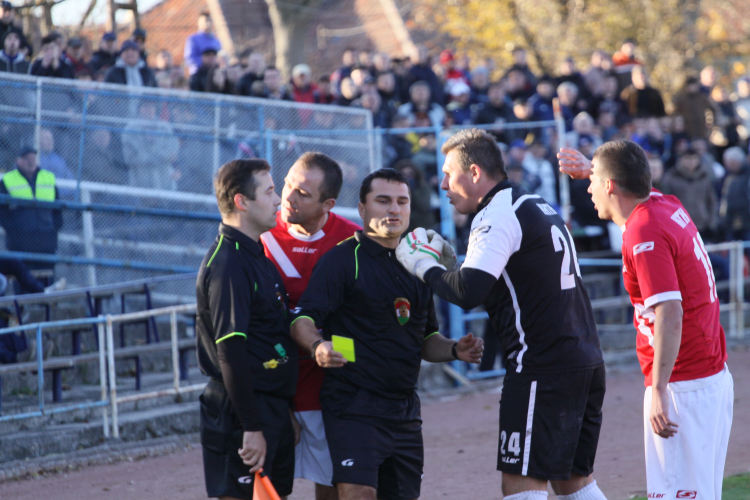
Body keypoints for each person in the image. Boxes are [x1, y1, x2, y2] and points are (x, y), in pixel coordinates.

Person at [397, 129, 607, 500]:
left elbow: (466, 293)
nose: (442, 183)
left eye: (449, 174)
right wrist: (454, 267)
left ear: (475, 173)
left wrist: (423, 267)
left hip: (542, 364)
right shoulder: (531, 202)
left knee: (521, 483)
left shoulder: (495, 214)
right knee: (573, 481)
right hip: (584, 357)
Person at [290, 169, 483, 500]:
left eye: (401, 201)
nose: (394, 209)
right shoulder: (342, 260)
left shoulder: (420, 264)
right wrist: (318, 345)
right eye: (383, 201)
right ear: (362, 209)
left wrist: (454, 350)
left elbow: (426, 340)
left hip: (404, 409)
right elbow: (301, 320)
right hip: (353, 404)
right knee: (358, 493)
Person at [558, 141, 733, 500]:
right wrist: (597, 166)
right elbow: (629, 174)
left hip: (683, 383)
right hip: (707, 377)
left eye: (593, 181)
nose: (587, 187)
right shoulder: (663, 202)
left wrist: (658, 389)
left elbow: (670, 311)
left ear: (610, 185)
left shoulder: (643, 231)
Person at [260, 153, 360, 500]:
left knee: (332, 484)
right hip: (272, 381)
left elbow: (360, 325)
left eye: (303, 192)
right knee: (268, 484)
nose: (288, 196)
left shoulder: (354, 242)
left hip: (330, 387)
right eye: (287, 185)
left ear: (328, 203)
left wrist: (338, 358)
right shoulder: (259, 236)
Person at [196, 159, 298, 500]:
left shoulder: (257, 256)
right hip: (243, 413)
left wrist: (284, 410)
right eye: (269, 192)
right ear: (242, 201)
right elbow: (230, 351)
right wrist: (252, 426)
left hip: (270, 408)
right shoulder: (228, 264)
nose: (278, 200)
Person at [0, 146, 63, 270]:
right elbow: (2, 211)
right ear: (17, 161)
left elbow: (58, 207)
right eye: (26, 158)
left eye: (33, 157)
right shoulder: (7, 181)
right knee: (22, 280)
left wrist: (54, 228)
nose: (31, 161)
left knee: (47, 279)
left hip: (46, 242)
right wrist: (13, 230)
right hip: (20, 243)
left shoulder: (48, 177)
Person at [184, 11, 222, 76]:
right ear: (199, 22)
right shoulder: (193, 39)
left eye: (210, 20)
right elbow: (189, 59)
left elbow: (220, 58)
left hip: (214, 74)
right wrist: (204, 62)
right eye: (205, 20)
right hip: (198, 75)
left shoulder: (216, 41)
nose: (208, 23)